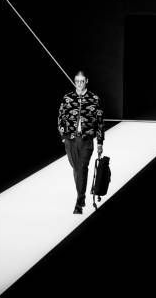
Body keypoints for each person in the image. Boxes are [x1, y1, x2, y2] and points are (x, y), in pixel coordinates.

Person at [58, 71, 105, 214]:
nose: (79, 84)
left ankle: (79, 201)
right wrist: (63, 136)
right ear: (74, 82)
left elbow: (99, 121)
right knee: (76, 169)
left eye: (82, 81)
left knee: (81, 167)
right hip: (70, 139)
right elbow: (61, 117)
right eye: (77, 81)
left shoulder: (94, 99)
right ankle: (81, 196)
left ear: (86, 81)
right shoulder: (68, 98)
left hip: (86, 139)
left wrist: (100, 142)